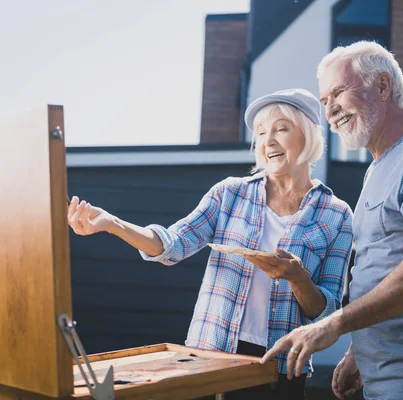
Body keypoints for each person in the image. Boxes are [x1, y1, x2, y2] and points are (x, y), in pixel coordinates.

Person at [67, 88, 353, 399]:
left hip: (281, 369)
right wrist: (113, 224)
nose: (268, 140)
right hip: (210, 359)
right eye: (261, 132)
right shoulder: (229, 194)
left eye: (281, 129)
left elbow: (326, 312)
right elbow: (172, 245)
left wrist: (296, 277)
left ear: (308, 134)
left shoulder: (336, 214)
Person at [261, 41, 403, 400]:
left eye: (339, 93)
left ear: (382, 87)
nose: (330, 110)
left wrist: (336, 324)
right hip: (386, 374)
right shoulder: (378, 169)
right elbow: (382, 266)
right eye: (324, 101)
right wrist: (358, 349)